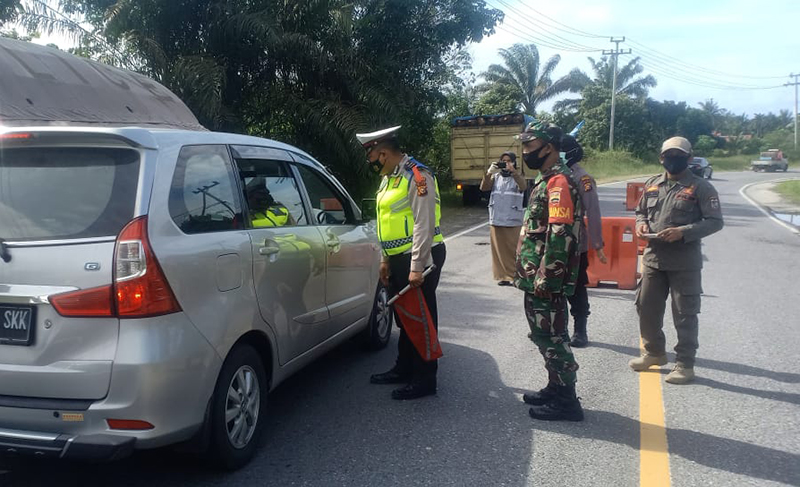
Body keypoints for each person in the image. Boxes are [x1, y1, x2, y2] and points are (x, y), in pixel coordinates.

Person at [357, 125, 447, 400]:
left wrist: (417, 266)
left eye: (373, 160)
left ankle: (425, 378)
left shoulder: (417, 176)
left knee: (420, 317)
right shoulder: (389, 178)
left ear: (383, 153)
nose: (372, 165)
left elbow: (424, 223)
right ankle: (404, 367)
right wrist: (385, 259)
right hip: (397, 258)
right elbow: (387, 222)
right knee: (404, 316)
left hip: (420, 255)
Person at [630, 136, 723, 384]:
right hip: (653, 259)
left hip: (684, 262)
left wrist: (683, 232)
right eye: (668, 155)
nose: (673, 159)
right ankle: (654, 353)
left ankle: (685, 364)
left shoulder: (702, 187)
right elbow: (640, 212)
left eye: (679, 155)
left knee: (684, 314)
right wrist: (641, 225)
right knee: (645, 307)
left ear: (689, 158)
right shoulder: (652, 184)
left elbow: (715, 222)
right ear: (661, 158)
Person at [514, 120, 584, 422]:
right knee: (542, 334)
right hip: (535, 276)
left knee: (553, 337)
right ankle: (555, 387)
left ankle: (568, 402)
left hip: (547, 278)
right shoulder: (545, 180)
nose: (526, 152)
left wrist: (547, 276)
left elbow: (560, 233)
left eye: (530, 146)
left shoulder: (559, 183)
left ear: (550, 148)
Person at [561, 134, 607, 347]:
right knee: (553, 288)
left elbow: (593, 211)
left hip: (575, 244)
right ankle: (557, 330)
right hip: (552, 245)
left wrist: (597, 244)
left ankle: (580, 330)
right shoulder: (551, 176)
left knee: (577, 287)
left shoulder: (582, 178)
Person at [481, 151, 526, 286]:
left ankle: (515, 275)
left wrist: (514, 172)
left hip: (512, 218)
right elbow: (483, 188)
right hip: (496, 218)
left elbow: (523, 186)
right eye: (503, 161)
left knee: (513, 249)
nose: (506, 164)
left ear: (514, 163)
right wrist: (489, 173)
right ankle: (503, 276)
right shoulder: (495, 177)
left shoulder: (518, 176)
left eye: (509, 161)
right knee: (498, 250)